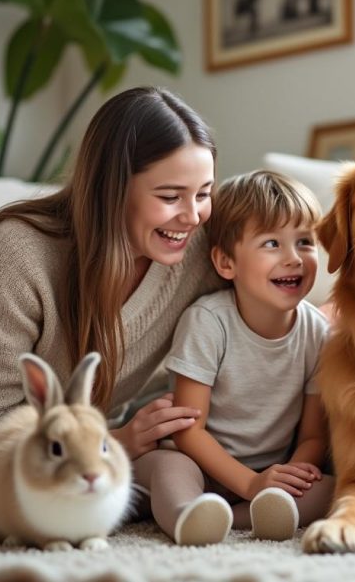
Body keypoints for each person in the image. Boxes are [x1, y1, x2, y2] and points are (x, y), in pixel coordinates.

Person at [0, 86, 224, 528]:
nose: (193, 215)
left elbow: (274, 244)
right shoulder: (24, 250)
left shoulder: (198, 249)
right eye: (170, 196)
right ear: (112, 190)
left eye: (203, 193)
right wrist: (113, 444)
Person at [132, 170, 333, 546]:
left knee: (335, 489)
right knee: (168, 467)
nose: (294, 259)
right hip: (196, 463)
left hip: (264, 474)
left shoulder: (318, 333)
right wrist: (250, 483)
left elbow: (313, 435)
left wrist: (289, 474)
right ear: (227, 264)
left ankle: (240, 518)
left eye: (304, 242)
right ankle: (188, 515)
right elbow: (188, 429)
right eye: (272, 243)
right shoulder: (208, 320)